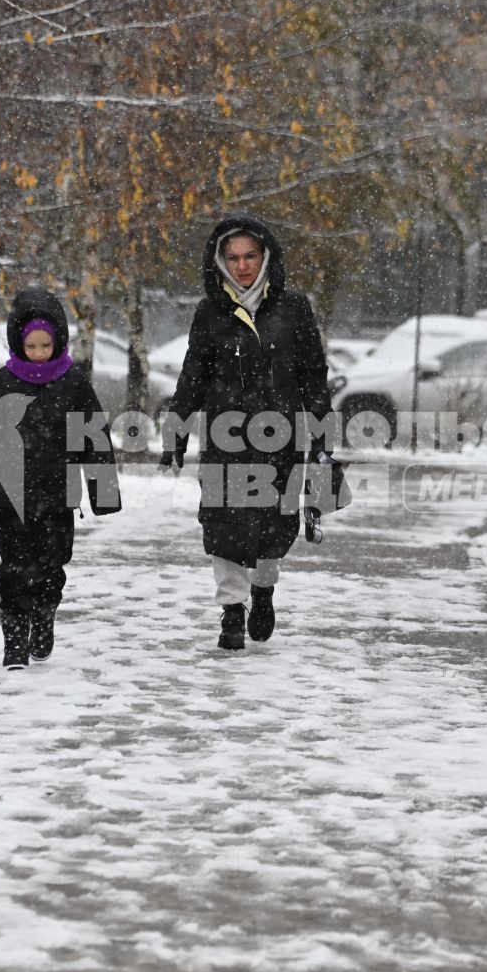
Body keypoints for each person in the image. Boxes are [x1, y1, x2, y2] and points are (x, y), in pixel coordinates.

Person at [161, 214, 335, 649]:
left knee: (274, 528)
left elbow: (314, 378)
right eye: (233, 258)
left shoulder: (294, 309)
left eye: (250, 256)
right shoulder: (210, 312)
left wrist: (322, 439)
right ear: (220, 261)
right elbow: (193, 376)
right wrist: (177, 429)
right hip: (226, 437)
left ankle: (264, 589)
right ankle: (231, 610)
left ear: (266, 257)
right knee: (223, 524)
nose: (242, 266)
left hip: (281, 438)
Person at [0, 288, 121, 669]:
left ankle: (43, 616)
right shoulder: (3, 383)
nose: (39, 352)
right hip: (9, 499)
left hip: (59, 498)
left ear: (58, 341)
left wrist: (103, 493)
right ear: (18, 343)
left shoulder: (74, 384)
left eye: (46, 345)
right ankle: (14, 640)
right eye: (31, 346)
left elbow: (95, 440)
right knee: (12, 569)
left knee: (50, 568)